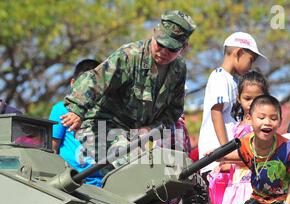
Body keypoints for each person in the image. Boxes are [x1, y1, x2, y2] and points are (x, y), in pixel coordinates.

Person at [62, 10, 196, 164]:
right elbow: (95, 80)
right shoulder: (130, 55)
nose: (164, 52)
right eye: (160, 44)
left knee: (158, 171)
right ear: (154, 33)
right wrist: (77, 110)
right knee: (132, 165)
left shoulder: (178, 69)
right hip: (102, 127)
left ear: (183, 47)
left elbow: (173, 111)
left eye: (172, 49)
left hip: (135, 136)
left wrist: (150, 129)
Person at [198, 32, 267, 204]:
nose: (251, 66)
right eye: (250, 59)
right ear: (238, 53)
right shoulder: (220, 78)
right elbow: (217, 112)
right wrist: (224, 152)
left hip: (229, 158)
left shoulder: (229, 81)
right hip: (221, 158)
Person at [218, 71, 269, 204]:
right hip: (237, 183)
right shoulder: (240, 124)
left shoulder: (261, 126)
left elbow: (253, 154)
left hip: (250, 185)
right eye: (247, 98)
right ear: (239, 98)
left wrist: (222, 156)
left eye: (256, 98)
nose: (251, 103)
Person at [49, 59, 103, 187]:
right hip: (73, 182)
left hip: (102, 184)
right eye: (83, 86)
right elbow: (52, 149)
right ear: (73, 83)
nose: (88, 92)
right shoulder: (61, 109)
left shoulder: (105, 112)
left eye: (93, 87)